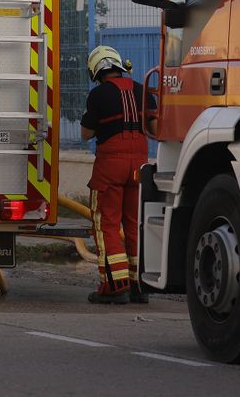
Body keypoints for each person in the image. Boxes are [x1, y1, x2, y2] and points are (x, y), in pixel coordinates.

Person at [80, 44, 150, 304]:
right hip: (140, 167)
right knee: (134, 225)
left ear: (97, 72)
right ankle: (138, 285)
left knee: (106, 223)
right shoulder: (142, 90)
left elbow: (85, 134)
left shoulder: (98, 96)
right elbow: (153, 125)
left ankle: (113, 286)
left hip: (110, 167)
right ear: (119, 65)